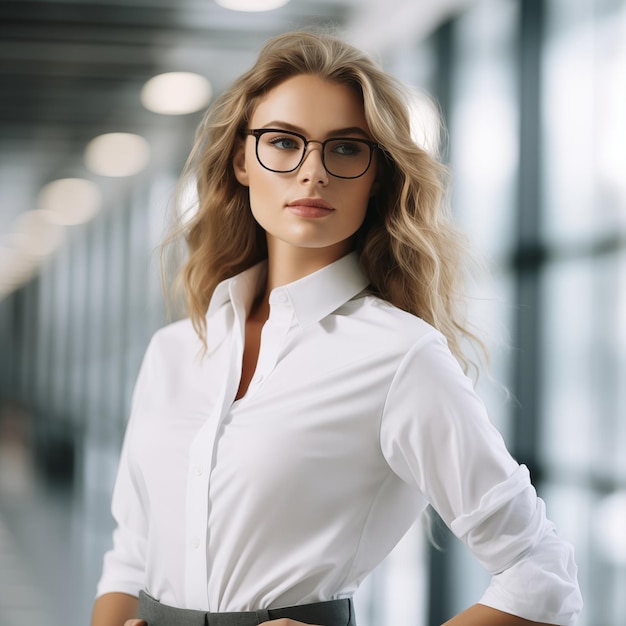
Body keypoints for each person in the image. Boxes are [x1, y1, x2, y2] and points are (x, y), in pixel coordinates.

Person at [91, 30, 582, 626]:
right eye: (283, 142)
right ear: (242, 160)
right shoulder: (174, 350)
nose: (313, 173)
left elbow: (541, 569)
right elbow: (129, 555)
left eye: (346, 149)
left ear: (377, 174)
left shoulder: (399, 356)